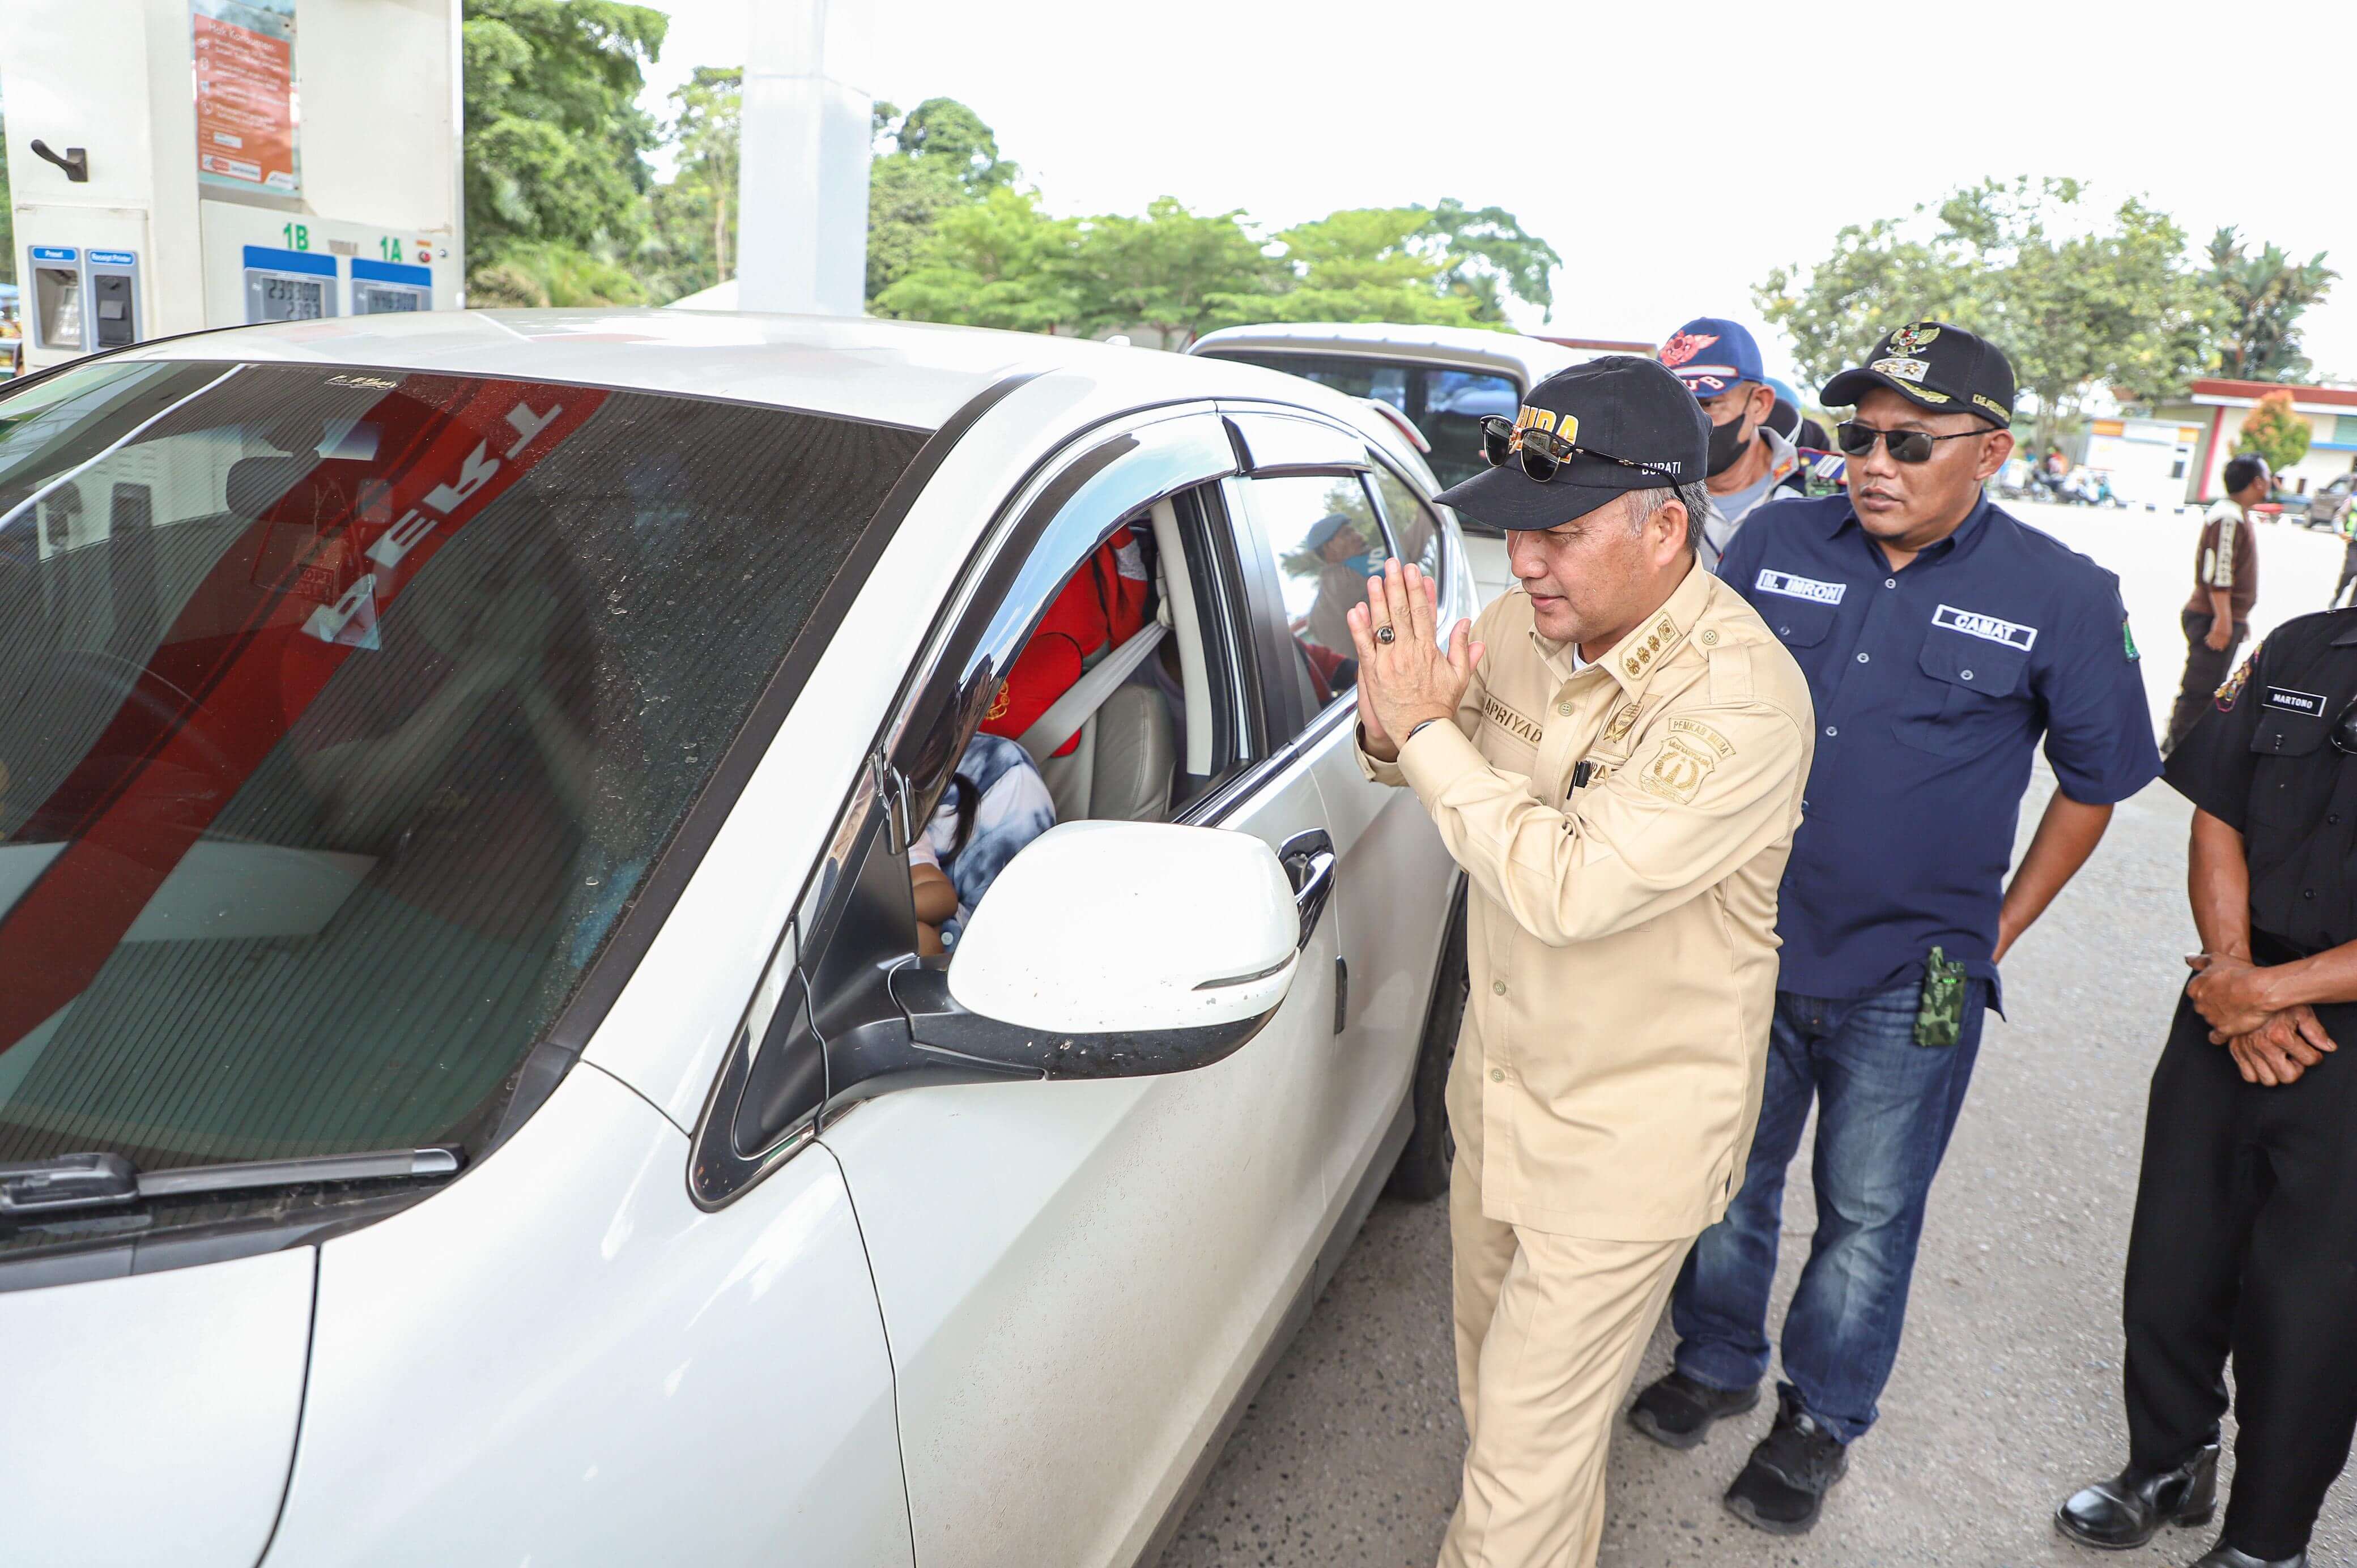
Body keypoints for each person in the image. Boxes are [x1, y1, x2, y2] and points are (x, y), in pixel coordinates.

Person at [1630, 322, 2163, 1533]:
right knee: (1721, 1177)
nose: (1873, 461)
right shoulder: (1775, 538)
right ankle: (1713, 1360)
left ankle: (1817, 1419)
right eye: (1857, 434)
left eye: (1908, 440)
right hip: (1743, 942)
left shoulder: (2063, 597)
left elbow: (2096, 785)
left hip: (1915, 974)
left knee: (1868, 1211)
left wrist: (1994, 934)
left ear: (1990, 452)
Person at [1345, 355, 1814, 1568]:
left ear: (1666, 528)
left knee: (1513, 1476)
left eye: (1556, 532)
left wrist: (1430, 734)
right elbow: (1426, 760)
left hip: (1624, 1135)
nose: (1524, 565)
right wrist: (1391, 725)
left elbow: (1567, 885)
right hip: (1497, 1097)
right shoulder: (1523, 625)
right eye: (1513, 533)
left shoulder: (1740, 697)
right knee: (1506, 1424)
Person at [2054, 611, 2357, 1568]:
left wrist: (2271, 993)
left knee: (2310, 1308)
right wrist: (2234, 977)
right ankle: (2171, 1460)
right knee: (2173, 1261)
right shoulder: (2304, 646)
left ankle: (2268, 1542)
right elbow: (2218, 807)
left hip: (2329, 1033)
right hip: (2229, 1000)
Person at [1657, 316, 1809, 570]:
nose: (1688, 423)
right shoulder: (1645, 492)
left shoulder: (1821, 487)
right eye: (1671, 407)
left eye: (1707, 405)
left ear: (1759, 404)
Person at [908, 727, 1056, 954]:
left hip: (961, 961)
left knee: (921, 938)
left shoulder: (1003, 772)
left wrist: (880, 914)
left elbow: (1005, 939)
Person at [2165, 456, 2270, 752]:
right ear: (2256, 482)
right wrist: (2224, 619)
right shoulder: (2228, 517)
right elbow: (2219, 571)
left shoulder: (2235, 514)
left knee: (2207, 683)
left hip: (2223, 615)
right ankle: (2180, 750)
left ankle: (2179, 745)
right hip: (2211, 616)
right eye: (2267, 476)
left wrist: (2237, 619)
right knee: (2200, 688)